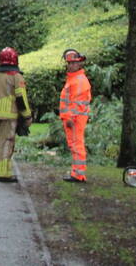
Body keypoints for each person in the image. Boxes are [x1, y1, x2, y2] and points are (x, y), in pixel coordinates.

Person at [0, 46, 33, 183]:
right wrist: (27, 116)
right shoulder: (16, 77)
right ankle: (3, 174)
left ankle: (0, 171)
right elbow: (21, 98)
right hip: (8, 115)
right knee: (7, 143)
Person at [59, 48, 92, 183]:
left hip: (75, 120)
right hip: (74, 119)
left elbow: (76, 103)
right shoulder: (75, 79)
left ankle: (78, 174)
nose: (71, 65)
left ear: (79, 64)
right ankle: (77, 173)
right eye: (69, 63)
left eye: (73, 63)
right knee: (75, 145)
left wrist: (69, 118)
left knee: (76, 145)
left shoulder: (78, 80)